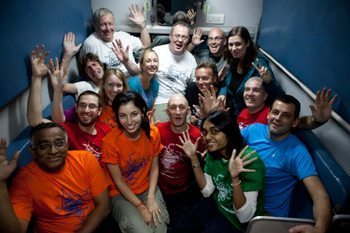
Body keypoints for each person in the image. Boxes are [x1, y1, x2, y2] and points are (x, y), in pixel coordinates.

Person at [241, 95, 332, 233]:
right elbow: (228, 141)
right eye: (275, 112)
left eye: (286, 116)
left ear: (294, 122)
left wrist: (319, 229)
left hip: (264, 217)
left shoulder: (297, 152)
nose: (277, 118)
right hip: (239, 199)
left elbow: (319, 195)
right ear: (268, 114)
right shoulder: (254, 130)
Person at [0, 123, 110, 233]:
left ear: (67, 145)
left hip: (93, 226)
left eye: (59, 143)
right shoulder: (24, 180)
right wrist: (1, 184)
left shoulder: (85, 159)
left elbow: (104, 205)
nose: (53, 151)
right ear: (33, 150)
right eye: (43, 146)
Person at [171, 110, 265, 233]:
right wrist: (194, 158)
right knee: (181, 227)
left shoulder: (249, 160)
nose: (207, 137)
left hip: (235, 222)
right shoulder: (213, 152)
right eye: (205, 132)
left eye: (214, 131)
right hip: (217, 204)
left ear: (229, 133)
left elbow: (244, 217)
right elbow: (207, 191)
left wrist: (235, 177)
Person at [27, 45, 111, 161]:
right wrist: (36, 78)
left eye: (92, 106)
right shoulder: (68, 132)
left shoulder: (106, 130)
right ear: (76, 108)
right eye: (82, 105)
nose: (86, 110)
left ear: (99, 111)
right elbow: (35, 121)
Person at [101, 91, 169, 233]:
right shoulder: (110, 142)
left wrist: (150, 197)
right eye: (122, 116)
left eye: (134, 114)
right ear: (117, 117)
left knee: (160, 227)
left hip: (147, 187)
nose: (129, 121)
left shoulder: (152, 133)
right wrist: (140, 206)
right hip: (120, 194)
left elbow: (154, 168)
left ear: (143, 112)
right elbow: (118, 181)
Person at [156, 94, 205, 228]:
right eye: (173, 108)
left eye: (182, 107)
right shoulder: (158, 131)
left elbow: (203, 167)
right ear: (167, 112)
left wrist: (194, 156)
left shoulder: (197, 136)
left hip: (185, 192)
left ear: (188, 111)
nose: (177, 112)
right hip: (160, 190)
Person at [224, 26, 285, 116]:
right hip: (232, 112)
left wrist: (269, 81)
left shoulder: (259, 63)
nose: (233, 48)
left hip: (250, 116)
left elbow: (280, 97)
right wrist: (222, 93)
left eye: (238, 44)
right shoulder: (234, 58)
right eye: (230, 45)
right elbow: (226, 82)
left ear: (247, 43)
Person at [238, 77, 337, 130]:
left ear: (265, 96)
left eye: (256, 90)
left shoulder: (272, 114)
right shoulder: (243, 112)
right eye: (247, 89)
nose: (250, 94)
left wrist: (316, 120)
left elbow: (299, 122)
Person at [80, 5, 151, 76]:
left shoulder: (123, 36)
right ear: (95, 26)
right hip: (111, 83)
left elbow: (146, 45)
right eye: (103, 25)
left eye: (110, 24)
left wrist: (142, 25)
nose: (108, 28)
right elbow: (84, 69)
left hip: (133, 76)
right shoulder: (91, 43)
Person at [152, 21, 197, 122]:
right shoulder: (157, 52)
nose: (180, 40)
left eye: (184, 37)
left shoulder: (191, 59)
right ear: (170, 36)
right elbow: (141, 73)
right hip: (161, 102)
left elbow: (195, 86)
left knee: (186, 133)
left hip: (181, 103)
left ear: (188, 40)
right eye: (177, 36)